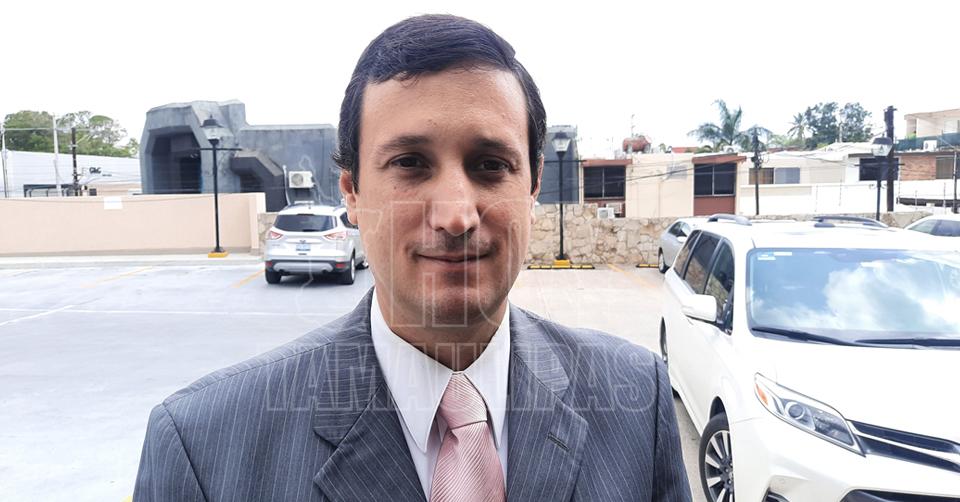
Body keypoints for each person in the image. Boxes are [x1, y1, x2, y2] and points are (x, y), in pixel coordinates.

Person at [134, 14, 690, 502]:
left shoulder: (638, 400)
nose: (456, 216)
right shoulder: (202, 447)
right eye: (410, 163)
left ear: (533, 186)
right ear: (351, 192)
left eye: (491, 165)